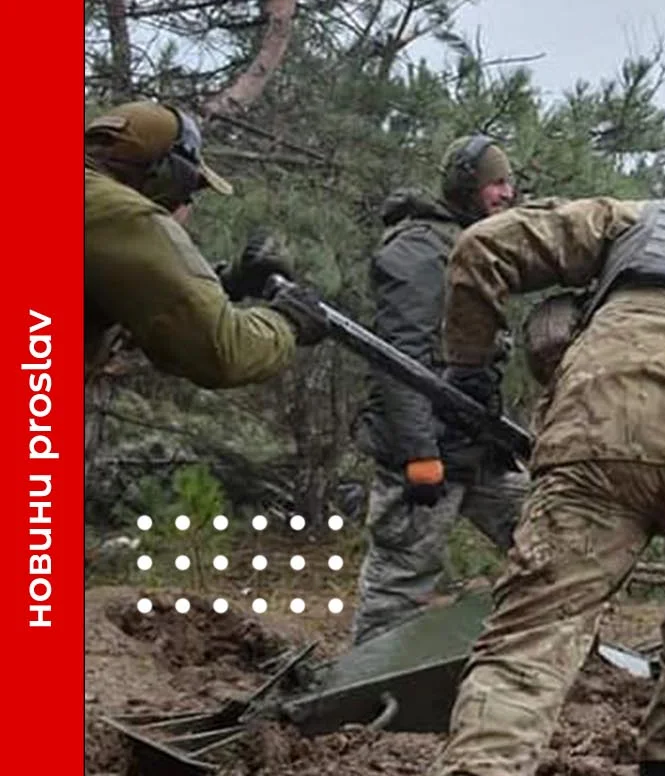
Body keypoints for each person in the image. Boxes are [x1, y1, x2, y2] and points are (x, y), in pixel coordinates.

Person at [427, 144, 665, 776]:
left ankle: (485, 765)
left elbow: (481, 247)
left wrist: (469, 372)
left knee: (537, 630)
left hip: (600, 429)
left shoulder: (630, 219)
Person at [348, 133, 528, 646]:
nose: (507, 193)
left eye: (509, 183)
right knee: (399, 581)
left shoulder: (469, 244)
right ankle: (361, 696)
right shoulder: (420, 249)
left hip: (477, 449)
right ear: (466, 187)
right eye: (496, 183)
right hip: (429, 452)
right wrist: (418, 454)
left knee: (548, 542)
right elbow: (397, 360)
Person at [84, 101, 326, 390]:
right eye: (189, 187)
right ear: (164, 174)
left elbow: (137, 303)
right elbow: (220, 351)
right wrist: (289, 320)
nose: (186, 202)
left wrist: (228, 283)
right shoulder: (119, 213)